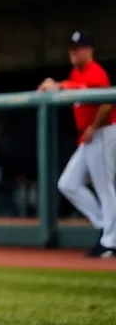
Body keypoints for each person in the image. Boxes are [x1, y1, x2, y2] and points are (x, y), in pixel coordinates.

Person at [38, 31, 116, 258]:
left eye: (78, 48)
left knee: (105, 187)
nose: (73, 52)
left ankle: (110, 241)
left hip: (102, 132)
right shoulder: (76, 72)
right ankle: (106, 224)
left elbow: (105, 101)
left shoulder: (96, 72)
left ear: (89, 50)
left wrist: (93, 126)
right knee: (68, 183)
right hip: (89, 137)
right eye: (71, 47)